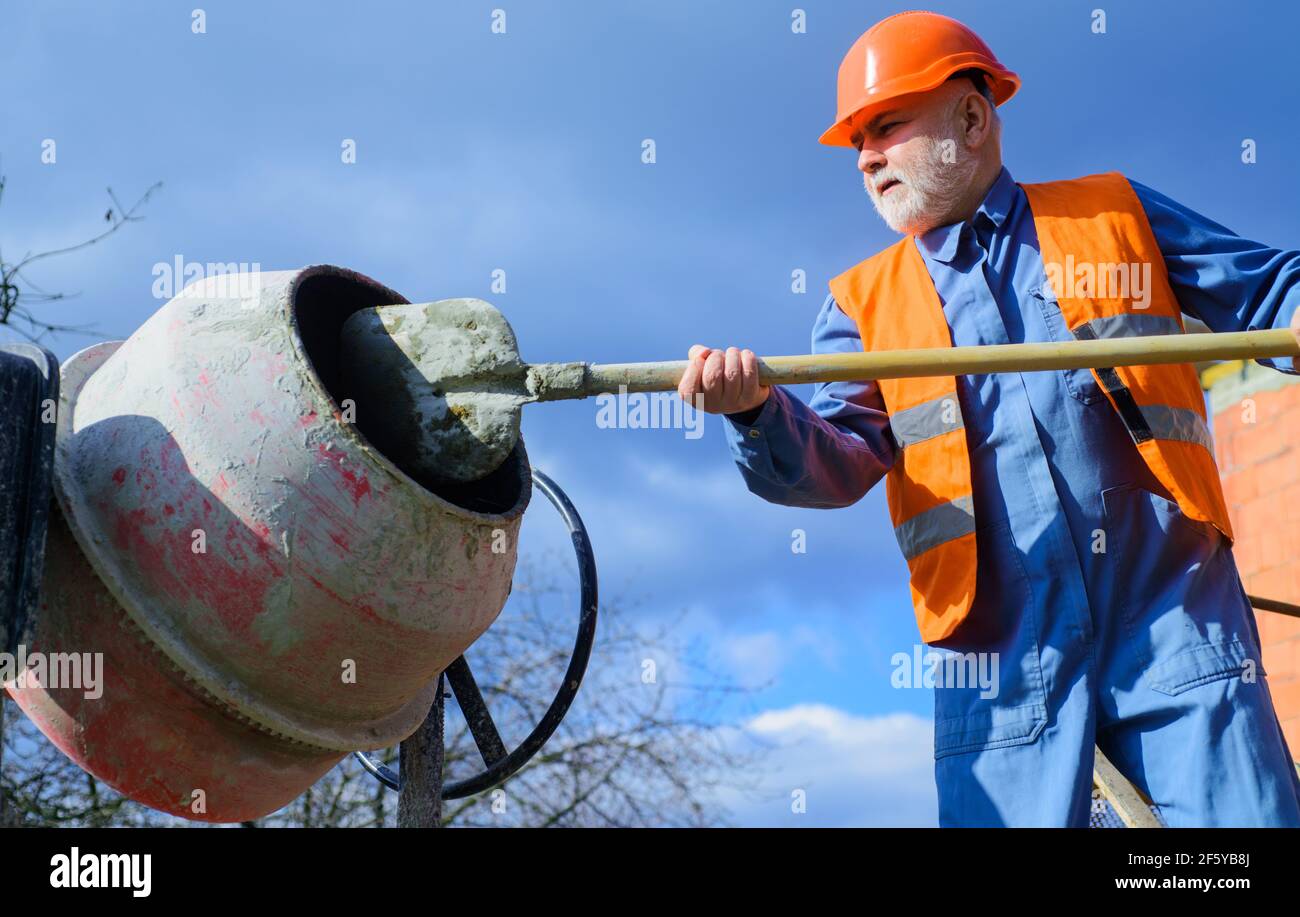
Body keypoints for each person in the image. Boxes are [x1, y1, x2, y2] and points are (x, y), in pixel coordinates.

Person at [677, 10, 1300, 827]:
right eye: (857, 140)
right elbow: (833, 466)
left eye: (886, 126)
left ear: (971, 119)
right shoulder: (861, 305)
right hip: (1003, 671)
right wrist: (757, 412)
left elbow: (1271, 293)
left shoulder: (1112, 217)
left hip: (1177, 623)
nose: (865, 158)